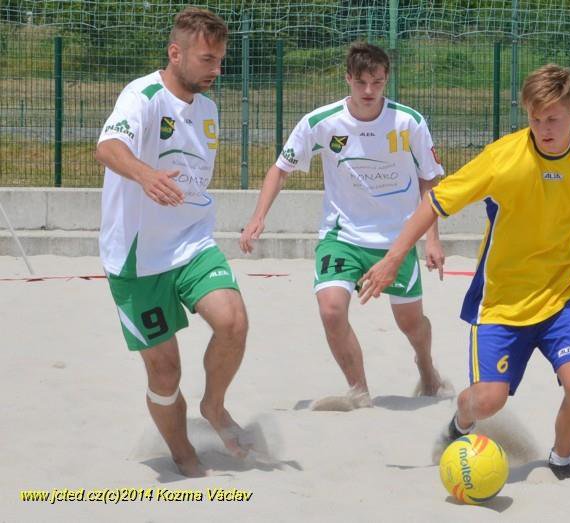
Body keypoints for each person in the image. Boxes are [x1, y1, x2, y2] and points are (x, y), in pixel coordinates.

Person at [357, 63, 570, 478]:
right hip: (500, 304)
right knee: (489, 400)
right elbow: (435, 203)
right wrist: (394, 257)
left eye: (554, 119)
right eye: (535, 118)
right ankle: (459, 424)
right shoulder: (503, 158)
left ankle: (558, 460)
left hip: (560, 299)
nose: (544, 127)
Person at [240, 42, 451, 410]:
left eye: (378, 82)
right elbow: (280, 168)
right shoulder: (322, 122)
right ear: (348, 80)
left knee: (411, 323)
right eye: (362, 82)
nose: (369, 91)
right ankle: (360, 392)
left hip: (396, 240)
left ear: (387, 80)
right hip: (341, 236)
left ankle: (426, 366)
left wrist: (432, 238)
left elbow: (429, 181)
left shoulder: (409, 122)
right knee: (332, 310)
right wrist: (258, 216)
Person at [95, 7, 250, 477]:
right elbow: (107, 147)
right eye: (207, 59)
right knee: (165, 373)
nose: (216, 70)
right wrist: (145, 176)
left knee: (233, 322)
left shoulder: (208, 109)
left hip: (192, 242)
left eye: (221, 60)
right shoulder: (141, 96)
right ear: (175, 52)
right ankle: (184, 454)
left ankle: (215, 407)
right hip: (137, 258)